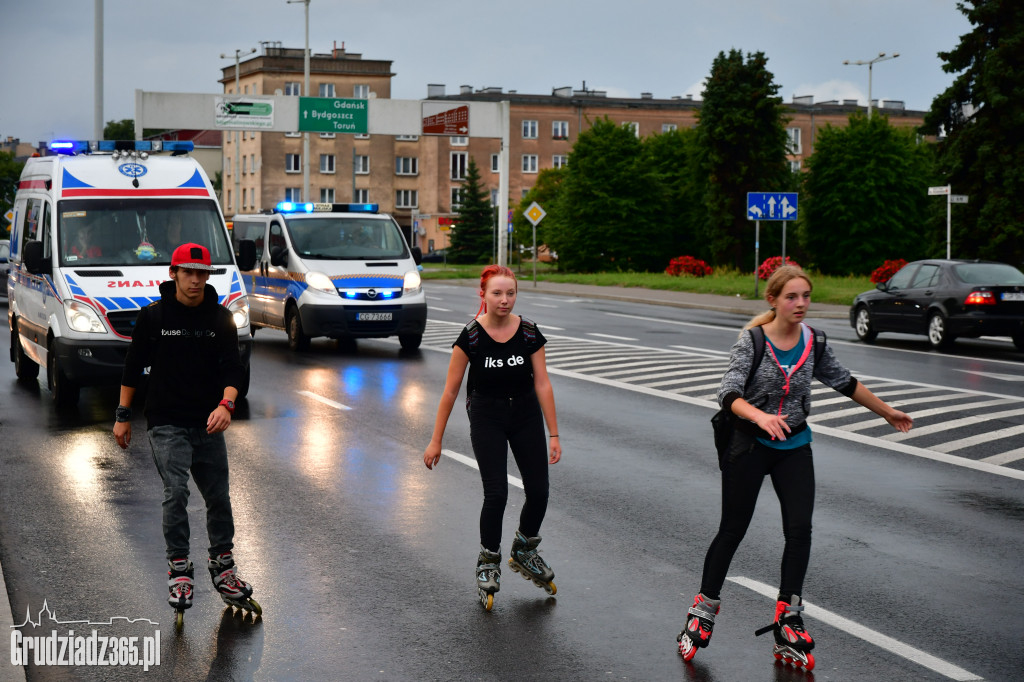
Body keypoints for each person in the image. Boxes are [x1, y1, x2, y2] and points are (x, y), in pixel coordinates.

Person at [677, 265, 913, 667]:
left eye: (806, 295)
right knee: (733, 529)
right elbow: (728, 392)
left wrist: (886, 412)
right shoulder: (752, 342)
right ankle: (703, 610)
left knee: (800, 530)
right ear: (773, 300)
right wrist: (759, 416)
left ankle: (788, 616)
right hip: (750, 445)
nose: (801, 303)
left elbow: (845, 382)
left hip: (795, 445)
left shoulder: (814, 342)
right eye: (792, 296)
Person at [112, 243, 259, 619]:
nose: (195, 280)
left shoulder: (221, 319)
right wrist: (122, 414)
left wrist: (226, 404)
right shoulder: (154, 318)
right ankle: (179, 569)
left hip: (207, 422)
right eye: (188, 272)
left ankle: (223, 568)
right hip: (166, 422)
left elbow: (233, 370)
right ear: (173, 273)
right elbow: (133, 366)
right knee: (175, 492)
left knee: (219, 497)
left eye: (202, 273)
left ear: (208, 276)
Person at [423, 265, 562, 610]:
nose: (504, 300)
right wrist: (435, 440)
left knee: (540, 491)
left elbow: (542, 383)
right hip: (487, 416)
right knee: (496, 492)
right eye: (497, 293)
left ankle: (524, 549)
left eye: (510, 293)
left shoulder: (528, 332)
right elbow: (450, 392)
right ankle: (489, 559)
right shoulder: (470, 336)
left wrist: (554, 433)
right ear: (482, 295)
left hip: (525, 414)